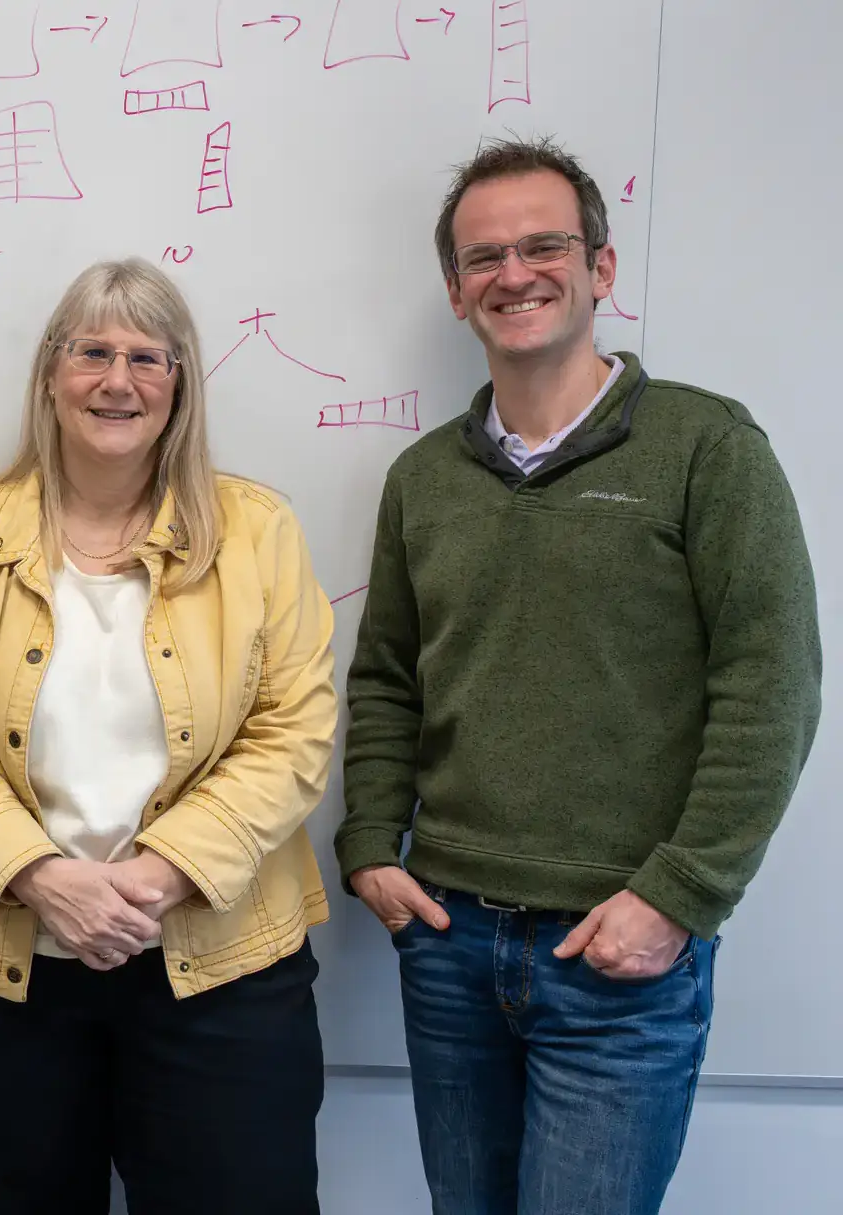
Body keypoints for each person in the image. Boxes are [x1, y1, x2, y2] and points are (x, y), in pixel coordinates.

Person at [337, 136, 822, 1215]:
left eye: (544, 246)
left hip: (619, 953)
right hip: (449, 943)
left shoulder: (706, 447)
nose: (514, 273)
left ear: (600, 267)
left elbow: (772, 688)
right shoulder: (422, 477)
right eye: (484, 256)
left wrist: (679, 896)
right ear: (456, 290)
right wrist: (370, 843)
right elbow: (388, 679)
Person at [0, 258, 339, 1215]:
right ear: (51, 372)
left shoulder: (258, 532)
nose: (117, 380)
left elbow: (293, 734)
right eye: (92, 352)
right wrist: (41, 876)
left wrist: (163, 874)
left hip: (217, 964)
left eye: (146, 357)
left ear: (180, 384)